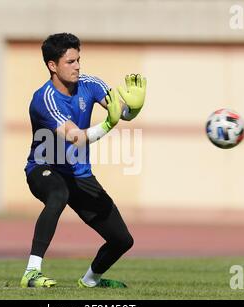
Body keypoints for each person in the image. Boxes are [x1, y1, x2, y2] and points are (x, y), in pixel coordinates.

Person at [13, 33, 146, 288]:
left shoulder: (90, 83)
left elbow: (120, 111)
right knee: (58, 194)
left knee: (122, 240)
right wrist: (108, 124)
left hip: (79, 175)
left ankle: (90, 280)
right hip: (44, 168)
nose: (77, 66)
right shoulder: (45, 99)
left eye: (78, 60)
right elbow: (76, 137)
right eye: (70, 61)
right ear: (52, 65)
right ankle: (31, 272)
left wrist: (133, 108)